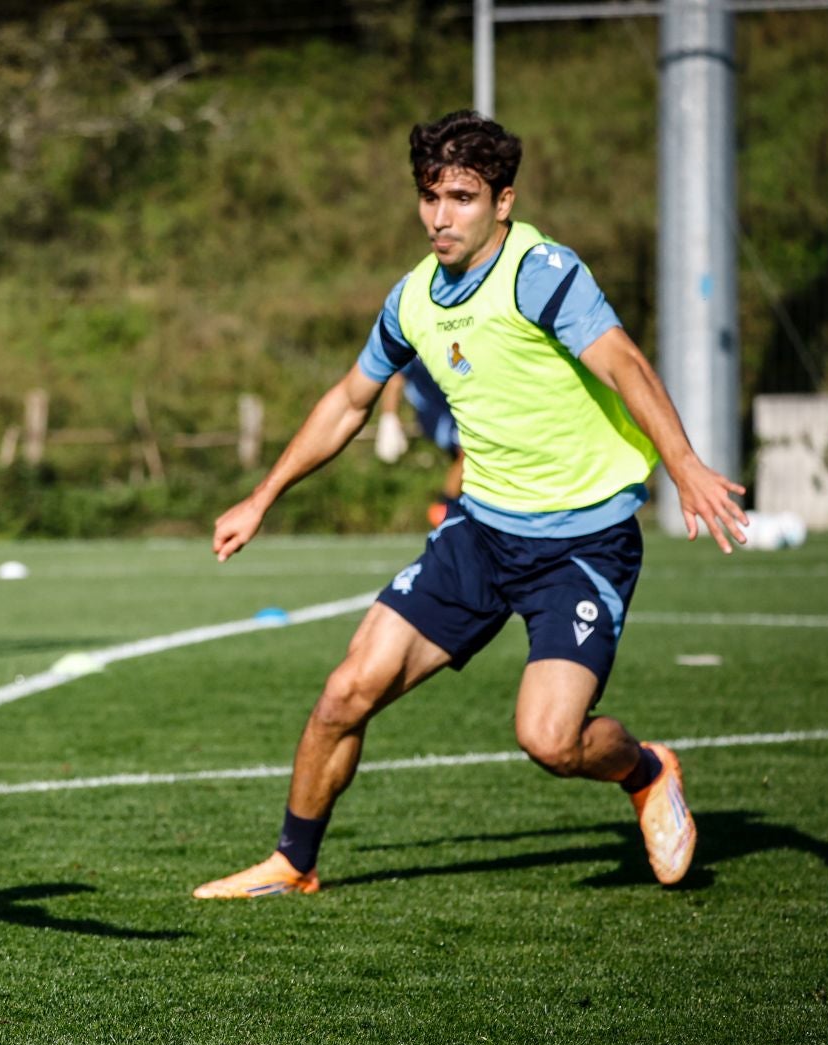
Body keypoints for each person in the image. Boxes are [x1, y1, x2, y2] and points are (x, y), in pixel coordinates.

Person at [194, 110, 746, 901]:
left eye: (460, 196)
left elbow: (624, 363)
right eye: (429, 196)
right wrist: (262, 496)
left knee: (550, 741)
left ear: (503, 201)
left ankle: (648, 769)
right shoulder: (414, 298)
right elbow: (350, 402)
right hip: (481, 534)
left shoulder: (541, 272)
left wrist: (684, 465)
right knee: (346, 692)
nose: (439, 216)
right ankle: (295, 862)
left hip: (581, 544)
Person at [374, 357, 465, 527]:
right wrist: (389, 418)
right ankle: (444, 508)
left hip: (456, 411)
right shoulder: (411, 343)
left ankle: (462, 509)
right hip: (435, 415)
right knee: (467, 450)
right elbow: (395, 381)